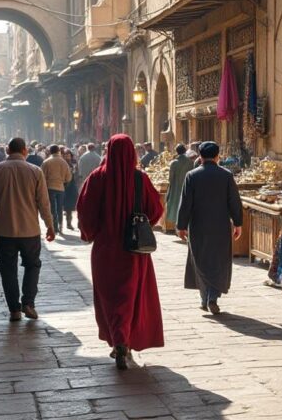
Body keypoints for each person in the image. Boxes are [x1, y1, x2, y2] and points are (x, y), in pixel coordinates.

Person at [77, 134, 165, 370]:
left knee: (109, 297)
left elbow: (85, 212)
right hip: (133, 249)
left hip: (105, 249)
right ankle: (124, 340)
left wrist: (90, 233)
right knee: (130, 295)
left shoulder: (96, 178)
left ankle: (118, 341)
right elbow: (156, 209)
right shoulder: (140, 179)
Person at [0, 137, 56, 321]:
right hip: (29, 230)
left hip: (4, 231)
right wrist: (49, 225)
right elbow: (44, 203)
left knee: (8, 270)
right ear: (25, 151)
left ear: (7, 150)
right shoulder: (35, 171)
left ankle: (14, 309)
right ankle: (28, 303)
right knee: (33, 265)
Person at [176, 141, 242, 314]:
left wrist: (181, 226)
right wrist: (238, 223)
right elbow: (234, 202)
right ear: (217, 156)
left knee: (201, 260)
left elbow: (185, 204)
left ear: (200, 156)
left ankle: (205, 298)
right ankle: (212, 297)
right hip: (220, 225)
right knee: (218, 261)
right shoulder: (226, 175)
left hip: (198, 225)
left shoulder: (192, 176)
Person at [41, 145, 72, 235]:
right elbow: (69, 177)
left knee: (52, 208)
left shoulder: (46, 162)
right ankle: (60, 225)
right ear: (58, 151)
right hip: (60, 187)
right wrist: (63, 181)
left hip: (49, 187)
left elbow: (41, 176)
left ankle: (55, 227)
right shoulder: (64, 162)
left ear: (50, 152)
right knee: (60, 207)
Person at [163, 144, 194, 231]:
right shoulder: (190, 162)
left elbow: (170, 178)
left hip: (176, 189)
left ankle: (178, 227)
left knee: (176, 206)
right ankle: (184, 227)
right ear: (185, 150)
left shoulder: (174, 162)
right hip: (187, 187)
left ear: (177, 152)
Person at [63, 148, 80, 231]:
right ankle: (67, 223)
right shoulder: (62, 162)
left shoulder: (74, 162)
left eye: (68, 155)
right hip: (64, 185)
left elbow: (76, 172)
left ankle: (75, 223)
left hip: (72, 185)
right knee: (66, 206)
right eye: (65, 155)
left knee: (74, 204)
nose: (67, 156)